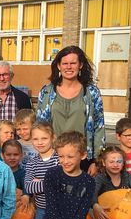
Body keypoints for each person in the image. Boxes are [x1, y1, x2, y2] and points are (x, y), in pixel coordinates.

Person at [36, 46, 105, 175]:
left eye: (73, 63)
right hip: (53, 157)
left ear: (80, 65)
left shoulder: (91, 92)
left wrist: (97, 161)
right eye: (65, 63)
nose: (69, 67)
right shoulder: (46, 92)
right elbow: (40, 127)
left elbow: (99, 127)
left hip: (83, 159)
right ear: (58, 66)